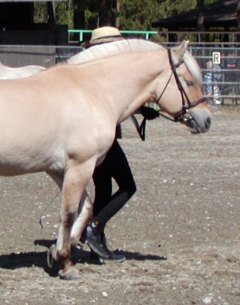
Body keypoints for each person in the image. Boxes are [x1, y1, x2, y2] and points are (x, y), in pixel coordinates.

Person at [79, 27, 159, 263]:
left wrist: (141, 109)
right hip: (103, 138)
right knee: (128, 186)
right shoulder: (106, 72)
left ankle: (96, 243)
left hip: (92, 137)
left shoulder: (89, 71)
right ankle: (94, 227)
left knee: (103, 189)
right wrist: (142, 108)